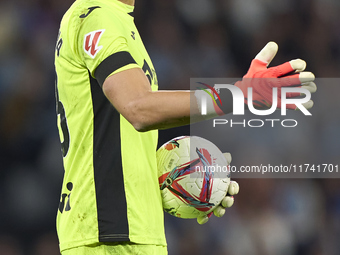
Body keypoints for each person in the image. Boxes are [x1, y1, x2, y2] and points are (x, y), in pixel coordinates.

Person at [54, 0, 316, 254]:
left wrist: (192, 181)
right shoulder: (96, 16)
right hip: (108, 234)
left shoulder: (116, 18)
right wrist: (237, 95)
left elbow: (120, 132)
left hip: (131, 231)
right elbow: (139, 107)